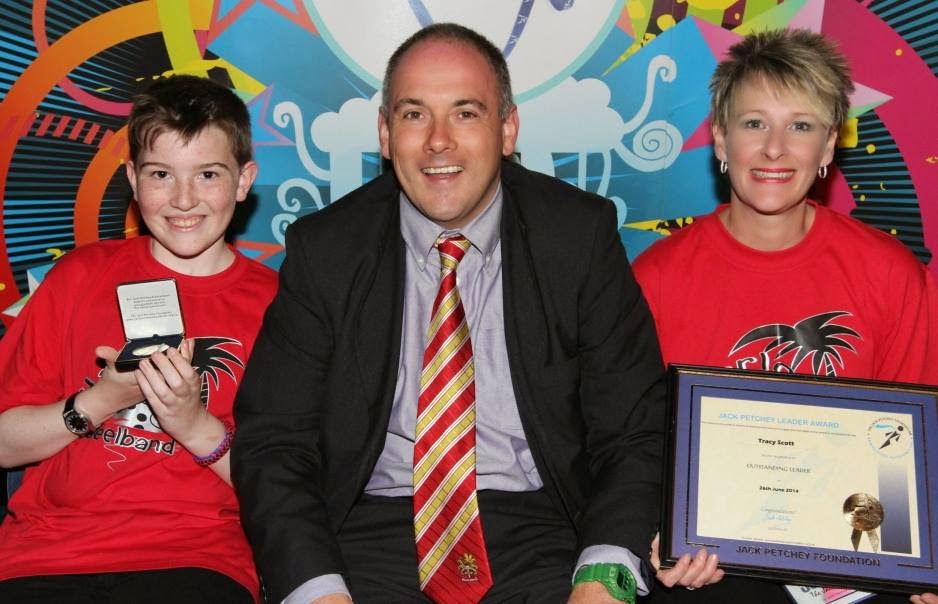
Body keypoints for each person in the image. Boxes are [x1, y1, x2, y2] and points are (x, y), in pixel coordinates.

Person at [232, 22, 667, 604]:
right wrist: (316, 590)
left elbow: (634, 430)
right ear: (385, 134)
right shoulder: (326, 250)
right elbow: (274, 443)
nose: (438, 141)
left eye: (465, 113)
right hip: (370, 530)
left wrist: (603, 575)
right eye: (414, 115)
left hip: (545, 527)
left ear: (507, 129)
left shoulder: (577, 236)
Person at [632, 29, 938, 604]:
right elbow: (636, 447)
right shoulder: (655, 278)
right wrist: (659, 533)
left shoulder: (891, 272)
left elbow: (912, 451)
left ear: (828, 147)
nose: (774, 149)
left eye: (800, 126)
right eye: (754, 123)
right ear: (720, 139)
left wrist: (922, 554)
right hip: (719, 566)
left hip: (859, 561)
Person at [0, 74, 277, 603]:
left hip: (196, 558)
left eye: (208, 174)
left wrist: (193, 423)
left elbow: (288, 485)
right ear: (132, 177)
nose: (183, 199)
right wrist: (102, 399)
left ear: (243, 181)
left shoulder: (278, 304)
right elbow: (5, 444)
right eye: (160, 174)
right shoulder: (79, 276)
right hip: (45, 553)